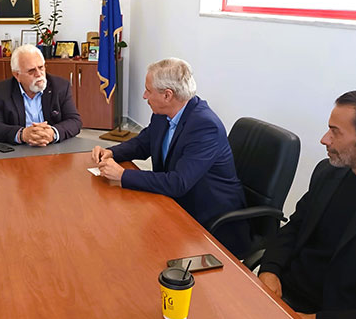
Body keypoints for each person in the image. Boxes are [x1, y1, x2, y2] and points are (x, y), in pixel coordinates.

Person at [91, 58, 248, 254]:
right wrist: (112, 152)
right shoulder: (162, 113)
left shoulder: (204, 126)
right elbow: (143, 143)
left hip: (208, 220)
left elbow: (178, 183)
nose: (144, 96)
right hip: (174, 204)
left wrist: (122, 175)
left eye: (148, 90)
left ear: (167, 95)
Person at [258, 90, 356, 319]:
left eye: (335, 132)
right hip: (284, 296)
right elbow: (294, 227)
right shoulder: (327, 172)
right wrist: (270, 269)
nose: (324, 139)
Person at [0, 44, 82, 146]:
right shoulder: (0, 91)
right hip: (18, 150)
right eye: (31, 71)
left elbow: (74, 121)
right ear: (17, 75)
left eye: (41, 68)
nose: (39, 74)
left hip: (52, 147)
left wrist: (53, 133)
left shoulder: (60, 87)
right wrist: (22, 134)